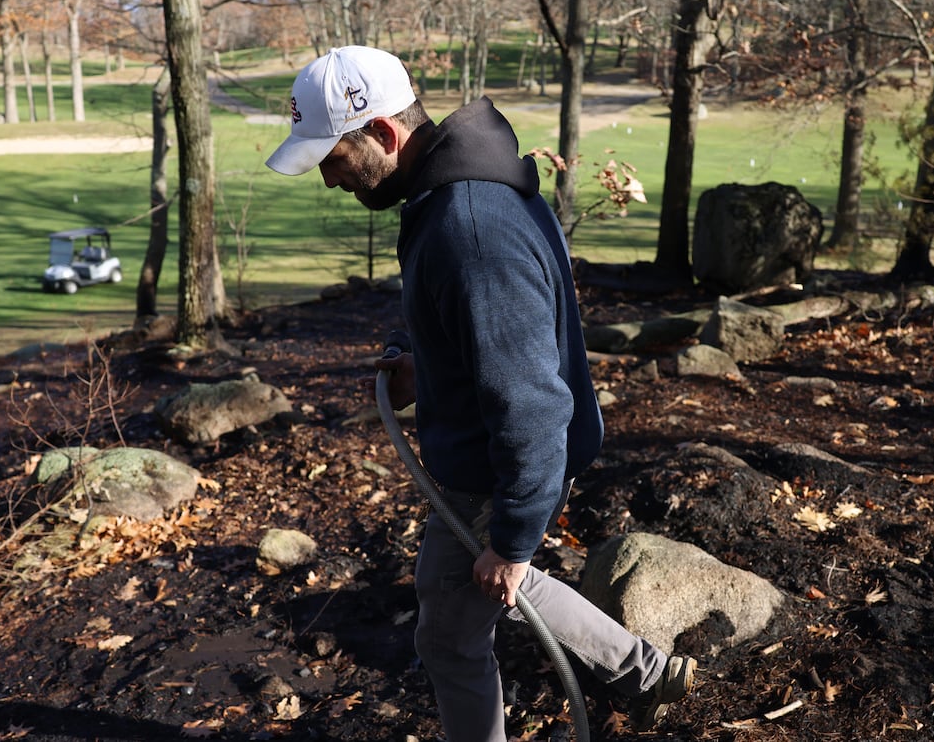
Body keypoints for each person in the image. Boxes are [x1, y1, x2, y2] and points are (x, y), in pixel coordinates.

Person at [265, 45, 696, 740]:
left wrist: (515, 534)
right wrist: (422, 369)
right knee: (480, 586)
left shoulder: (469, 227)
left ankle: (639, 675)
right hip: (501, 456)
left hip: (498, 465)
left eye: (332, 158)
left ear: (382, 134)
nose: (327, 180)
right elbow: (490, 339)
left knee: (454, 631)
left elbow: (529, 401)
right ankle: (646, 676)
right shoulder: (460, 192)